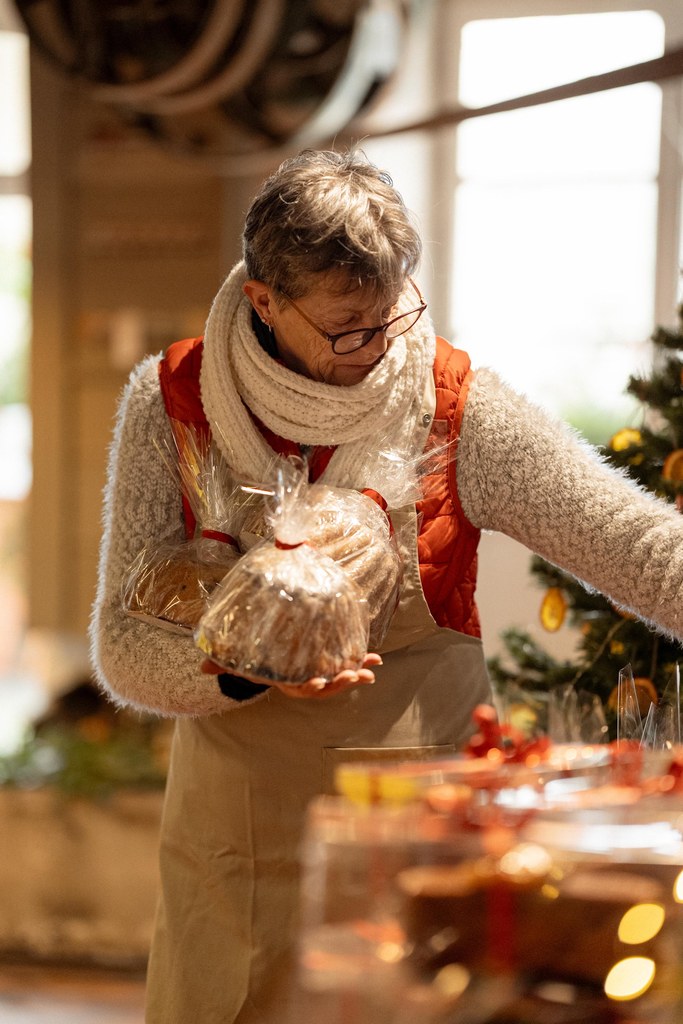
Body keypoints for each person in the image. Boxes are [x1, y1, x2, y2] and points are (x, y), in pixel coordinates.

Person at [90, 148, 683, 1023]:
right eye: (346, 328)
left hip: (422, 839)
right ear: (263, 301)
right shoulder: (173, 405)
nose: (377, 348)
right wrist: (242, 668)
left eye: (392, 315)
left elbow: (638, 545)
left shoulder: (457, 408)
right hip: (242, 836)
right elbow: (122, 643)